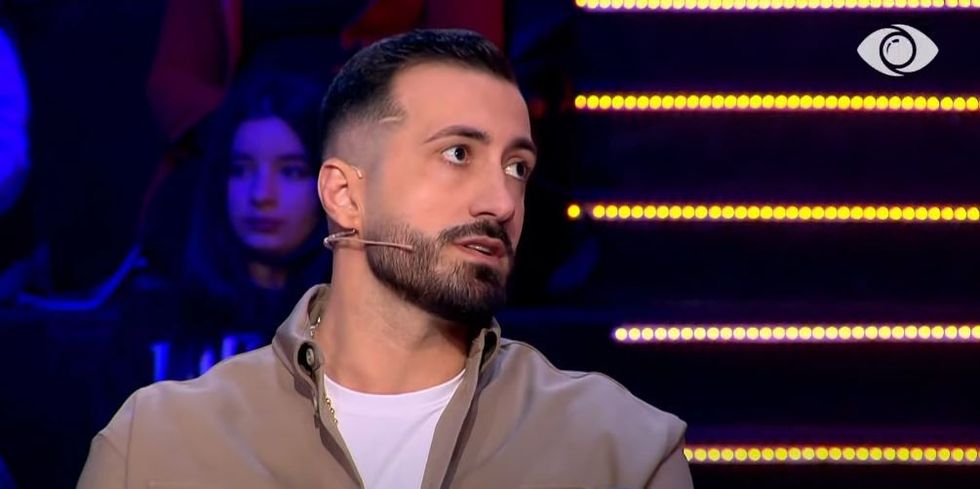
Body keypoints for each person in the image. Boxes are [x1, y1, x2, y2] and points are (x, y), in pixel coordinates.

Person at [78, 29, 693, 489]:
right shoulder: (158, 444)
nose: (502, 201)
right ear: (345, 195)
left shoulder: (619, 448)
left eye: (517, 167)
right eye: (458, 154)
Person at [180, 75, 332, 341]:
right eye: (241, 170)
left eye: (291, 172)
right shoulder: (156, 320)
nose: (261, 195)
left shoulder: (358, 325)